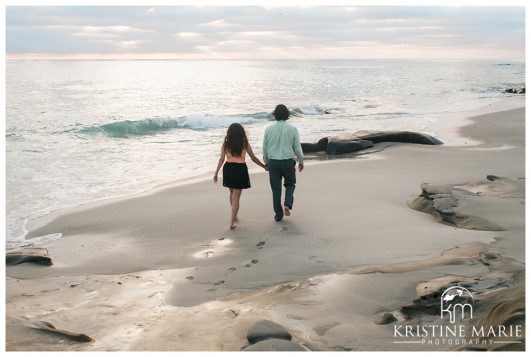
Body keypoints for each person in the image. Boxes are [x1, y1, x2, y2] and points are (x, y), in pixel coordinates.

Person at [214, 123, 268, 229]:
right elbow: (253, 157)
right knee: (236, 198)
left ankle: (235, 215)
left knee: (232, 194)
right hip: (239, 169)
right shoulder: (244, 143)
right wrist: (263, 166)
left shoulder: (225, 144)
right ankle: (231, 222)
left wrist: (216, 172)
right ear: (241, 132)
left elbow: (221, 159)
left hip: (228, 169)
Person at [262, 104, 304, 222]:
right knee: (290, 184)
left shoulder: (268, 129)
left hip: (273, 162)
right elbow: (297, 148)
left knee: (276, 190)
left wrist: (266, 162)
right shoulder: (292, 129)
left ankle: (278, 215)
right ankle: (287, 204)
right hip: (287, 161)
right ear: (287, 115)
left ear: (275, 115)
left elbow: (264, 149)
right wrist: (301, 161)